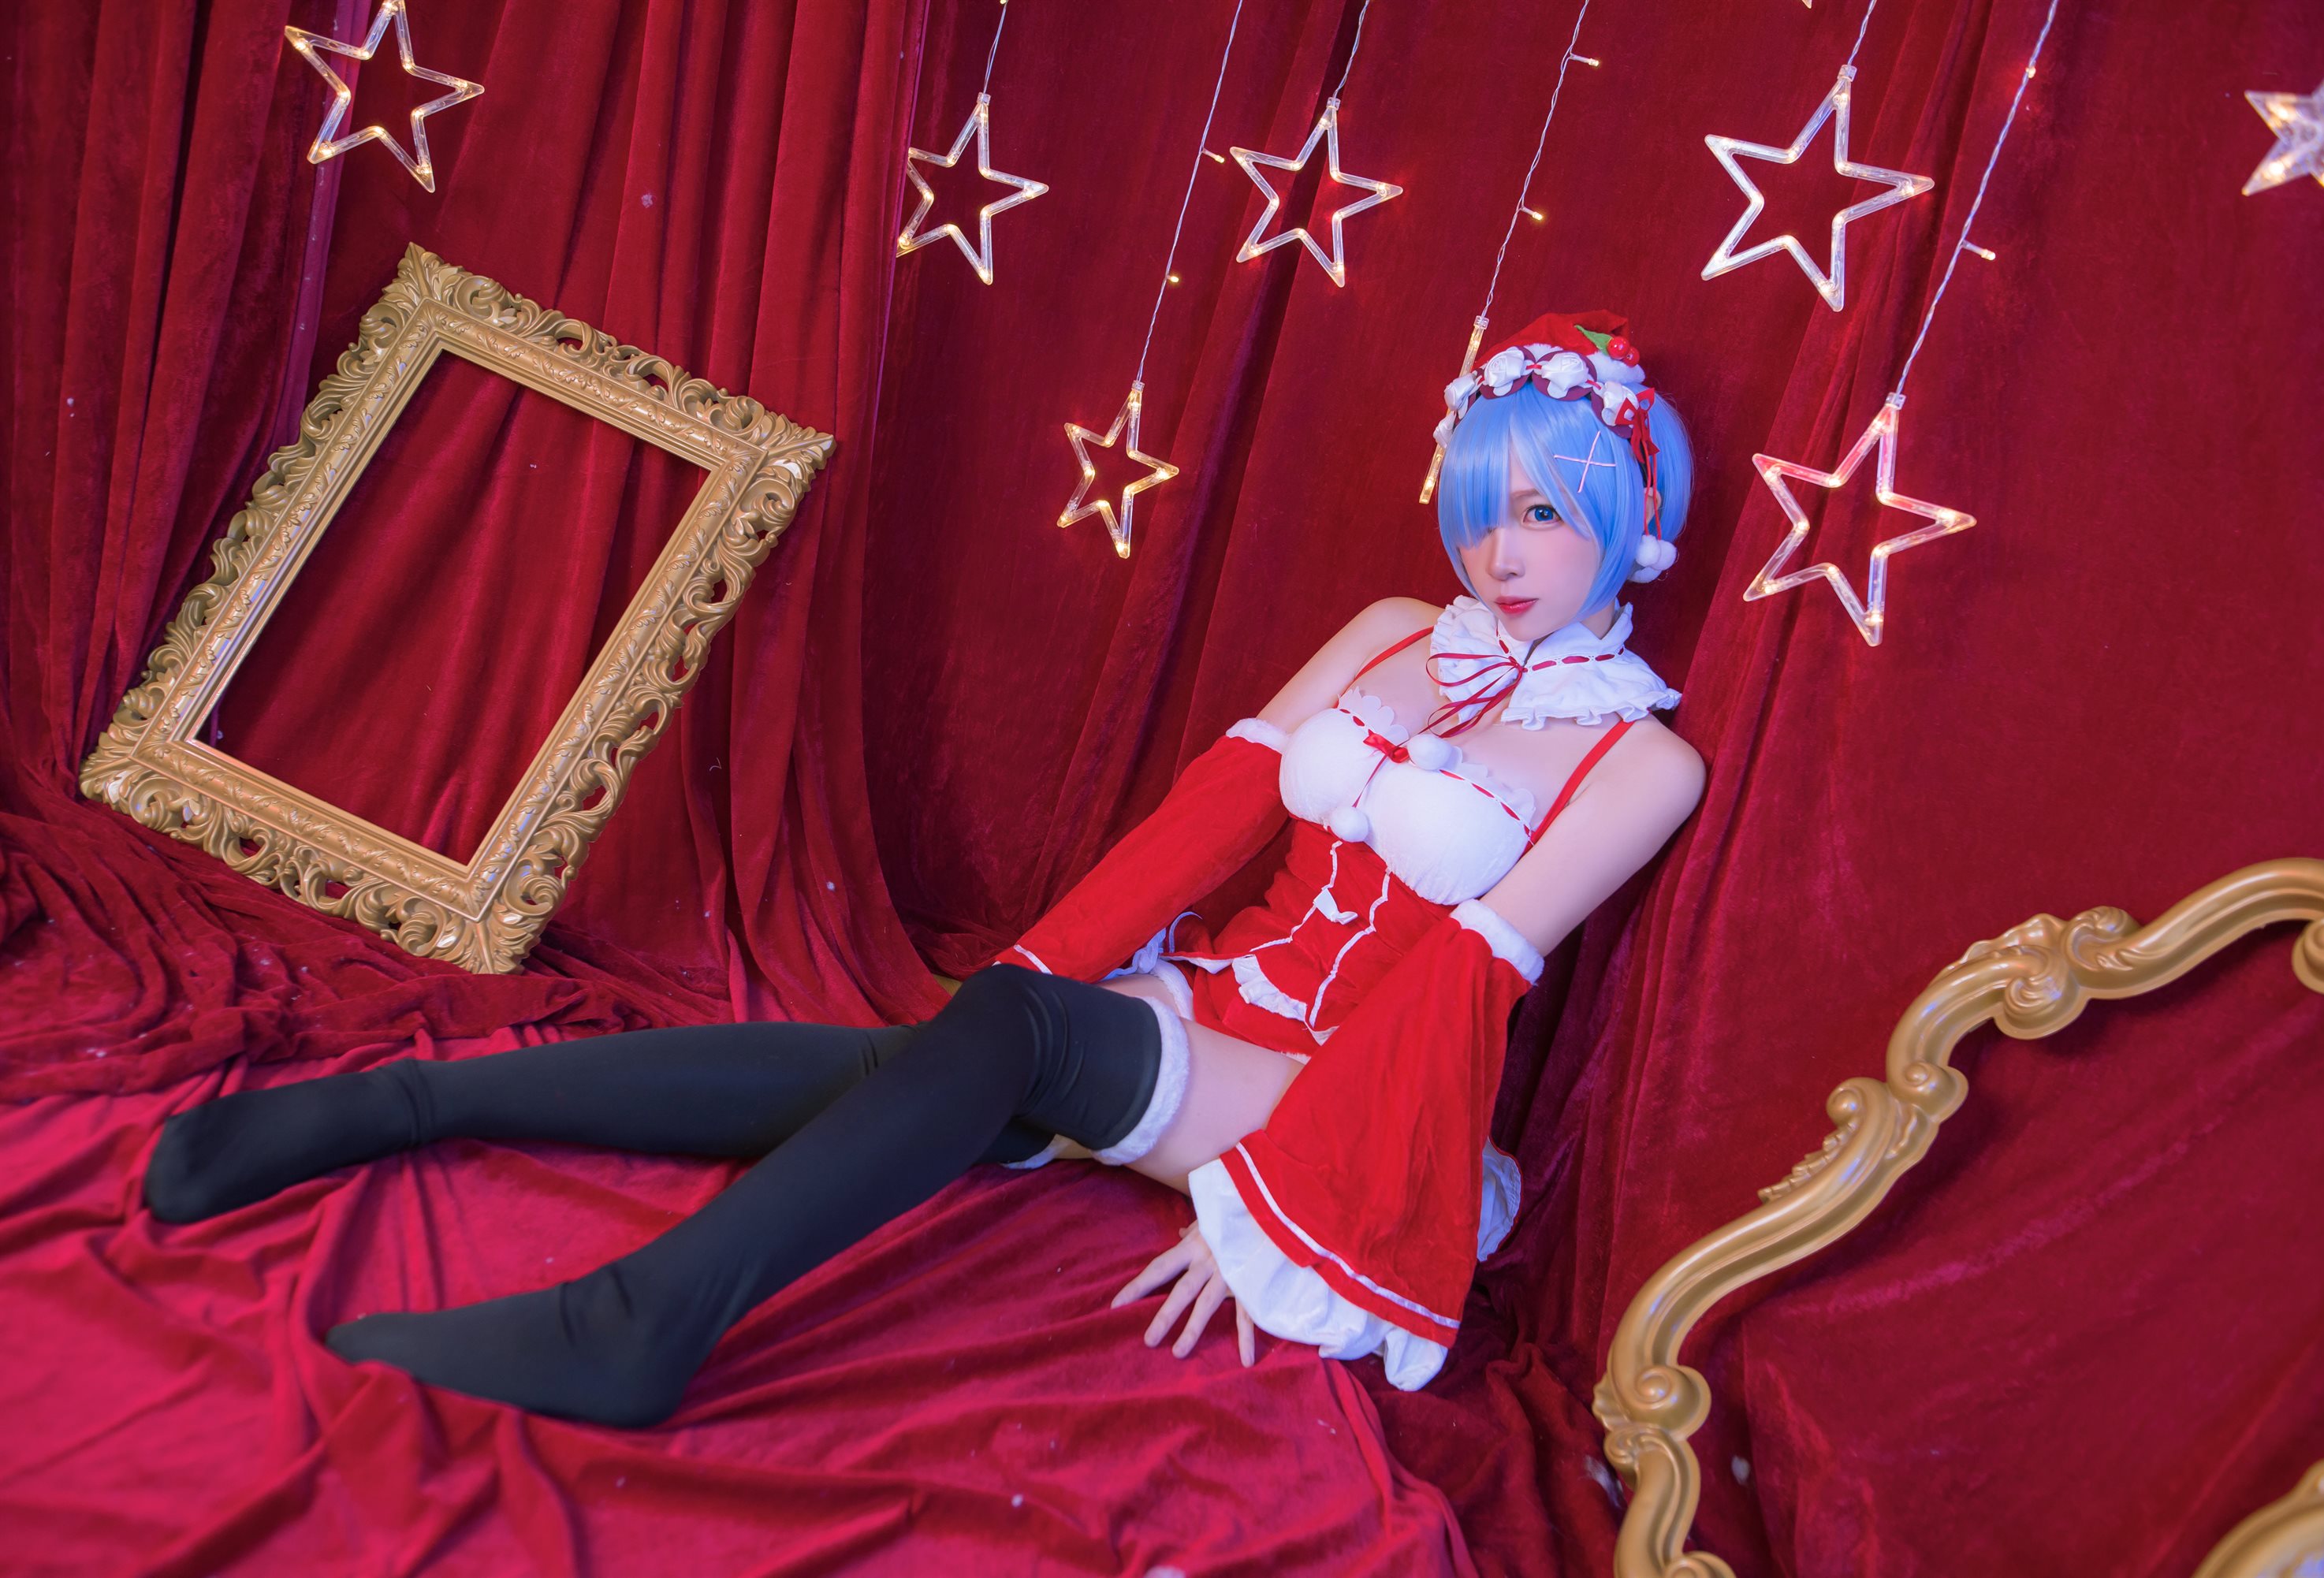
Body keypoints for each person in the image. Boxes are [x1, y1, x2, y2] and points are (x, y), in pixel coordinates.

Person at [140, 311, 1708, 1428]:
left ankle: (638, 1320)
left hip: (1343, 1095)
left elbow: (1453, 997)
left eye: (1545, 511)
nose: (1500, 550)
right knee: (943, 1052)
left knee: (1011, 1043)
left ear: (1630, 520)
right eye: (1480, 506)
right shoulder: (1392, 632)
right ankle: (407, 1105)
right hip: (1218, 1004)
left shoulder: (1639, 758)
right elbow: (1205, 825)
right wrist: (1026, 979)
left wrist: (1290, 1212)